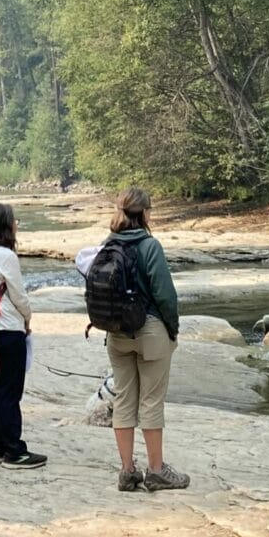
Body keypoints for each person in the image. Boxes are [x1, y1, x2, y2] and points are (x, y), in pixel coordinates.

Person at [103, 189, 187, 492]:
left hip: (116, 333)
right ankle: (156, 470)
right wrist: (172, 329)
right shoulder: (150, 246)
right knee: (151, 400)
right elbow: (165, 294)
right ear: (145, 213)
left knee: (124, 399)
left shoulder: (108, 244)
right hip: (150, 331)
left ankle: (127, 471)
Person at [0, 202, 44, 469]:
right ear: (7, 226)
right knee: (9, 391)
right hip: (7, 330)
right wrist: (28, 317)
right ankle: (15, 452)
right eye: (14, 220)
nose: (17, 223)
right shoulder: (6, 255)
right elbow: (18, 295)